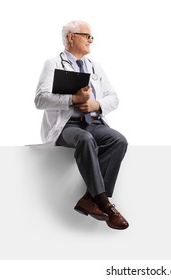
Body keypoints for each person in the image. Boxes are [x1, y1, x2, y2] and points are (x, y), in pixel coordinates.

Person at [35, 20, 129, 230]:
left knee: (118, 140)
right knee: (85, 139)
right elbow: (40, 100)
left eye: (91, 37)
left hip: (93, 122)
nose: (90, 41)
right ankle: (105, 203)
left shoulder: (95, 66)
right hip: (66, 126)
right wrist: (72, 100)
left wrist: (96, 104)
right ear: (71, 37)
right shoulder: (52, 63)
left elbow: (114, 97)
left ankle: (89, 198)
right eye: (87, 36)